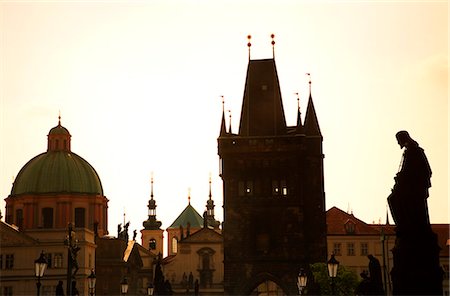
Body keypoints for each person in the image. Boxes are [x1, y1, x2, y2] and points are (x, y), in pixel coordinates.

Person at [388, 131, 432, 234]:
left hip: (414, 188)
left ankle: (404, 225)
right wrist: (400, 177)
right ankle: (403, 225)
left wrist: (403, 178)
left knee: (393, 199)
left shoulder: (415, 152)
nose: (398, 144)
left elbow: (425, 171)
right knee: (393, 199)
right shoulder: (410, 151)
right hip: (408, 186)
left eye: (399, 141)